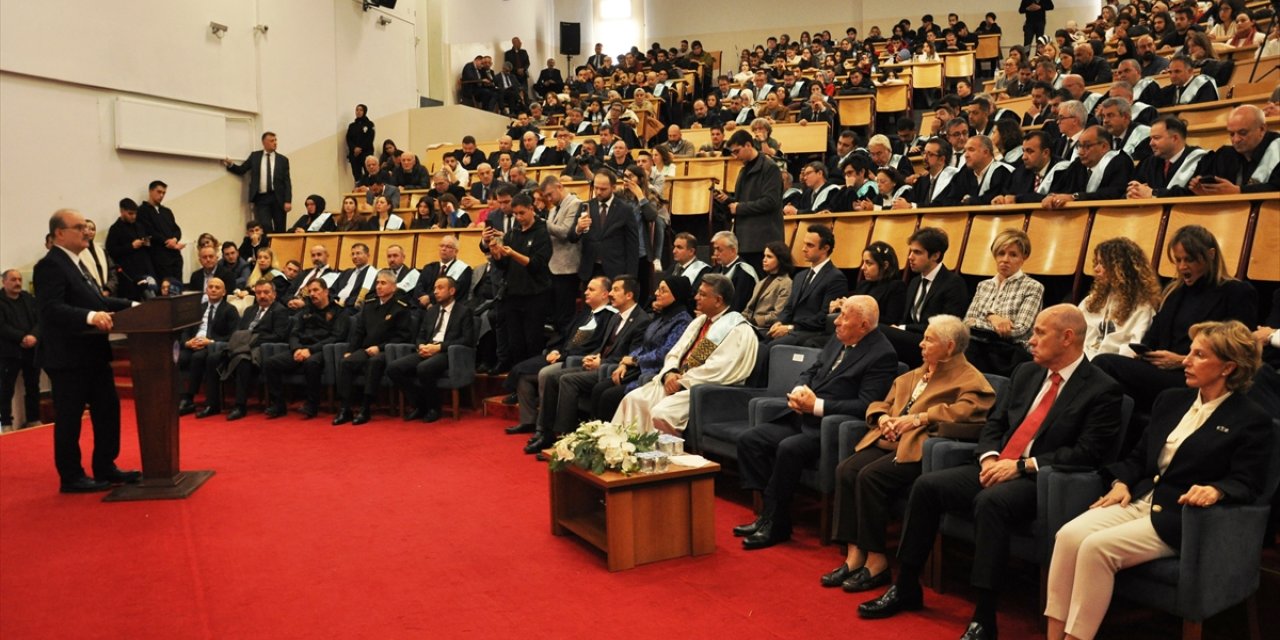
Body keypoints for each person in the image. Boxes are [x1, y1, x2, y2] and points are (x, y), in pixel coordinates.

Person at [858, 305, 1123, 640]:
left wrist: (1021, 466)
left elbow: (1088, 453)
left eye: (1040, 332)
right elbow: (994, 424)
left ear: (1067, 337)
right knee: (926, 486)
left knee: (991, 503)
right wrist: (988, 458)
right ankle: (906, 585)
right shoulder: (1026, 373)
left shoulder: (1101, 389)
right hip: (996, 465)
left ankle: (984, 615)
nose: (1031, 340)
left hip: (1040, 479)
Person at [1045, 321, 1271, 640]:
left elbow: (1249, 481)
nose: (1186, 360)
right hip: (1140, 499)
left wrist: (1217, 490)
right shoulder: (1171, 399)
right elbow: (1139, 457)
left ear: (1228, 367)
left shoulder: (1251, 419)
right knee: (1068, 535)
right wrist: (1121, 482)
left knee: (1096, 548)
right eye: (1189, 352)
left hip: (1182, 516)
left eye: (1199, 355)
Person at [824, 315, 996, 591]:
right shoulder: (914, 374)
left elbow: (968, 413)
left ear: (949, 347)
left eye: (929, 340)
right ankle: (854, 555)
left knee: (870, 476)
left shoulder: (970, 379)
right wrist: (882, 418)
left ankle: (877, 562)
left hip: (921, 449)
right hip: (889, 440)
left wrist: (918, 419)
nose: (921, 344)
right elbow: (882, 402)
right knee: (846, 469)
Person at [735, 295, 898, 549]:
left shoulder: (882, 354)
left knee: (789, 448)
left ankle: (776, 523)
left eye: (844, 317)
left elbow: (867, 406)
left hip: (831, 427)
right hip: (803, 416)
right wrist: (801, 389)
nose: (836, 322)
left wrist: (817, 406)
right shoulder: (839, 339)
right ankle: (771, 513)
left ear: (864, 325)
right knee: (750, 440)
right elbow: (812, 370)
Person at [1093, 225, 1257, 413]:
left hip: (1198, 376)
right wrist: (1145, 354)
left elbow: (1239, 351)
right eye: (1178, 260)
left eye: (1189, 260)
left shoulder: (1236, 292)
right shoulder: (1175, 292)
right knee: (1101, 374)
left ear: (1210, 255)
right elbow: (1151, 339)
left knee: (1104, 364)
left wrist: (1182, 360)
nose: (1182, 267)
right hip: (1163, 371)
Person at [33, 209, 140, 493]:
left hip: (92, 355)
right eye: (79, 227)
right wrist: (90, 317)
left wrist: (132, 306)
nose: (86, 232)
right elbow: (51, 308)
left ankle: (105, 466)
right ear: (59, 233)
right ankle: (71, 477)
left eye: (86, 227)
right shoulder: (50, 265)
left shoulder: (78, 263)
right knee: (69, 418)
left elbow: (97, 300)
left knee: (108, 410)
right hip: (68, 357)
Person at [613, 274, 758, 434]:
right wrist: (670, 372)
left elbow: (720, 369)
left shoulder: (737, 329)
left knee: (661, 413)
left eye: (702, 294)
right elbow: (675, 352)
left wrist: (682, 381)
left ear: (718, 300)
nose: (696, 297)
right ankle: (625, 454)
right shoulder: (700, 322)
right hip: (678, 381)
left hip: (705, 391)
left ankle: (661, 457)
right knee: (633, 400)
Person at [529, 276, 652, 451]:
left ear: (629, 295)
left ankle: (566, 440)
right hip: (600, 364)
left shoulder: (641, 320)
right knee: (552, 377)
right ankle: (545, 433)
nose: (611, 294)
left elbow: (631, 355)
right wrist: (594, 357)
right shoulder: (616, 317)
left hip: (613, 370)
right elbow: (603, 347)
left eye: (616, 290)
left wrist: (601, 362)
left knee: (567, 380)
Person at [505, 276, 615, 440]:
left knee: (546, 374)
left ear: (605, 294)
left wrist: (563, 355)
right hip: (562, 354)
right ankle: (529, 420)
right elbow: (565, 335)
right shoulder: (584, 314)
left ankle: (544, 428)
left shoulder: (610, 317)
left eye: (591, 289)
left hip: (577, 360)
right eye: (586, 289)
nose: (586, 292)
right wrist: (555, 349)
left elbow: (594, 346)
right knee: (522, 373)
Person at [199, 277, 290, 421]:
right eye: (258, 293)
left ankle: (240, 406)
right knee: (212, 359)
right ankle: (212, 404)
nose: (262, 296)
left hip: (259, 349)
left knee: (242, 360)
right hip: (240, 346)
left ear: (274, 294)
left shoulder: (280, 311)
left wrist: (253, 340)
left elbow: (279, 335)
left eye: (266, 292)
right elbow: (238, 331)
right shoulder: (249, 310)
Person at [388, 276, 476, 423]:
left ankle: (434, 408)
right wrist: (421, 346)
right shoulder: (431, 311)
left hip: (447, 352)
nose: (435, 292)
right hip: (427, 349)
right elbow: (420, 335)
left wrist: (439, 347)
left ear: (452, 290)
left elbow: (467, 340)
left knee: (424, 368)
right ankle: (419, 404)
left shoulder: (464, 311)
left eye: (440, 288)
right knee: (393, 368)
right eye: (434, 288)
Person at [882, 227, 971, 368]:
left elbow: (947, 327)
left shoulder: (953, 283)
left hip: (933, 342)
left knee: (878, 331)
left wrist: (903, 328)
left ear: (935, 255)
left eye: (917, 252)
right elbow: (905, 318)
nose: (910, 257)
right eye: (911, 251)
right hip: (911, 340)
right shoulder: (914, 282)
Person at [334, 270, 413, 426]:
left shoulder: (400, 307)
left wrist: (379, 347)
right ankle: (345, 408)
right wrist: (351, 350)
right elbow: (359, 332)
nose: (378, 286)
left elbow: (403, 336)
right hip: (366, 349)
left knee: (374, 362)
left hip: (386, 351)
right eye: (377, 283)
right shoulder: (369, 305)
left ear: (393, 287)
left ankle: (365, 408)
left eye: (383, 283)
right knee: (345, 362)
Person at [962, 229, 1045, 375]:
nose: (1005, 259)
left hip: (1009, 352)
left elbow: (1020, 330)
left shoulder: (1033, 287)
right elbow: (967, 322)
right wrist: (992, 317)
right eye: (1001, 253)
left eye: (1013, 255)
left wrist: (981, 323)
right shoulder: (984, 285)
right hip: (978, 344)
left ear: (1023, 257)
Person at [263, 279, 348, 420]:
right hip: (300, 349)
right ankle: (278, 405)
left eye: (316, 290)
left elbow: (336, 337)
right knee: (271, 363)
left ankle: (312, 405)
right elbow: (294, 333)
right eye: (310, 291)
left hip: (322, 350)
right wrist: (296, 349)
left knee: (311, 363)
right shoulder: (305, 311)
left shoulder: (339, 312)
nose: (312, 294)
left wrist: (311, 350)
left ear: (326, 291)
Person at [487, 192, 552, 368]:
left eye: (522, 213)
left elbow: (537, 264)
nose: (519, 217)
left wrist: (513, 253)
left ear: (531, 209)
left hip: (535, 295)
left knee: (533, 342)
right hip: (513, 294)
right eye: (515, 214)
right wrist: (496, 254)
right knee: (515, 342)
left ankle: (532, 383)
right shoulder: (512, 234)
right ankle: (517, 384)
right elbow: (503, 266)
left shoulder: (542, 232)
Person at [1078, 238, 1161, 360]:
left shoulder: (1142, 308)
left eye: (1103, 264)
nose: (1096, 269)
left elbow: (1134, 349)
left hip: (1110, 367)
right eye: (1097, 263)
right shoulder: (1090, 301)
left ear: (1120, 268)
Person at [715, 129, 783, 272]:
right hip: (746, 239)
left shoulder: (770, 168)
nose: (735, 156)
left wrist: (739, 207)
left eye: (737, 151)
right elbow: (742, 200)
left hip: (762, 240)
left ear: (748, 145)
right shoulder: (743, 170)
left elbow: (770, 201)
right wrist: (727, 200)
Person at [176, 277, 239, 416]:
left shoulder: (230, 310)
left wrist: (210, 342)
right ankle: (181, 397)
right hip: (193, 343)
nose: (213, 290)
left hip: (212, 346)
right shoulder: (199, 308)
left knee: (198, 357)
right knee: (180, 357)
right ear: (206, 290)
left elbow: (233, 335)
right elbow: (185, 330)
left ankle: (189, 398)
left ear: (224, 292)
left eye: (217, 287)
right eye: (211, 287)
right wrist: (187, 342)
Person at [1189, 105, 1280, 194]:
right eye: (1232, 134)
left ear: (1262, 129)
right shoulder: (1226, 155)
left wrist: (1239, 191)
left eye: (1243, 133)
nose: (1236, 140)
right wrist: (1206, 191)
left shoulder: (1276, 148)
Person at [569, 172, 639, 281]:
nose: (598, 192)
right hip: (590, 269)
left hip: (615, 270)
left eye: (603, 189)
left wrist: (630, 277)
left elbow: (632, 245)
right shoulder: (586, 206)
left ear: (613, 187)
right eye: (596, 188)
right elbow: (571, 237)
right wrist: (578, 228)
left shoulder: (625, 209)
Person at [223, 131, 292, 233]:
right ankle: (268, 247)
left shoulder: (283, 160)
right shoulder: (255, 156)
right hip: (262, 198)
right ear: (264, 142)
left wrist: (288, 200)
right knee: (265, 225)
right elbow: (242, 169)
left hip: (278, 198)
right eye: (272, 141)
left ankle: (279, 248)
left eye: (275, 140)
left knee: (280, 227)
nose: (275, 143)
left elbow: (287, 181)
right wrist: (230, 164)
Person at [1126, 116, 1210, 198]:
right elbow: (1131, 188)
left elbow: (1193, 195)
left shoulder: (1200, 160)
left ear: (1174, 138)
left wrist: (1154, 193)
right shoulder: (1149, 162)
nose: (1151, 143)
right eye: (1151, 138)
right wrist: (1132, 193)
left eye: (1156, 138)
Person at [0, 269, 42, 430]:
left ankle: (33, 419)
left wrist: (34, 336)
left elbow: (40, 320)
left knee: (33, 386)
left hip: (32, 350)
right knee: (6, 389)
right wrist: (22, 338)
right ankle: (6, 423)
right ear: (4, 282)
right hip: (9, 352)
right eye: (13, 280)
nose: (17, 283)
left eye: (19, 279)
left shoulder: (28, 298)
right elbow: (2, 326)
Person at [105, 198, 155, 301]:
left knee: (151, 299)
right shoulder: (115, 229)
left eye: (135, 214)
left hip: (144, 268)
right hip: (128, 273)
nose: (134, 216)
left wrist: (146, 242)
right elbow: (111, 251)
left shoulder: (139, 225)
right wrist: (131, 246)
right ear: (122, 211)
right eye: (130, 213)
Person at [136, 180, 185, 282]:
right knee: (165, 285)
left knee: (178, 284)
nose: (161, 195)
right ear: (150, 191)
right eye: (159, 192)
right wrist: (167, 242)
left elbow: (176, 229)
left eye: (164, 193)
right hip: (159, 255)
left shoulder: (166, 211)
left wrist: (175, 239)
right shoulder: (142, 211)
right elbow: (149, 231)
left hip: (174, 255)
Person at [851, 241, 907, 324]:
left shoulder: (896, 287)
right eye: (863, 262)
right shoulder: (862, 285)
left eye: (868, 263)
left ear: (885, 265)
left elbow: (891, 321)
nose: (863, 267)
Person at [743, 241, 793, 330]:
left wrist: (753, 321)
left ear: (780, 259)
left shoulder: (786, 283)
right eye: (764, 256)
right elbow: (748, 309)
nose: (764, 260)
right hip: (749, 326)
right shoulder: (761, 282)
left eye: (769, 257)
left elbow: (778, 314)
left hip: (765, 329)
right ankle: (710, 344)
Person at [78, 219, 118, 297]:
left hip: (109, 293)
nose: (90, 232)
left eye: (93, 229)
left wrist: (108, 289)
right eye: (87, 228)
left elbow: (112, 271)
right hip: (91, 296)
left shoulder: (102, 251)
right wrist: (97, 292)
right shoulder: (78, 252)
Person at [345, 104, 375, 184]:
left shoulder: (369, 124)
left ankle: (370, 186)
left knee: (368, 171)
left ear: (364, 111)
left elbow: (370, 138)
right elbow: (348, 138)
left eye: (360, 110)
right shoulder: (352, 126)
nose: (358, 112)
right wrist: (354, 148)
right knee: (356, 173)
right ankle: (359, 186)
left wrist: (360, 148)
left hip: (366, 152)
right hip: (354, 154)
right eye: (357, 110)